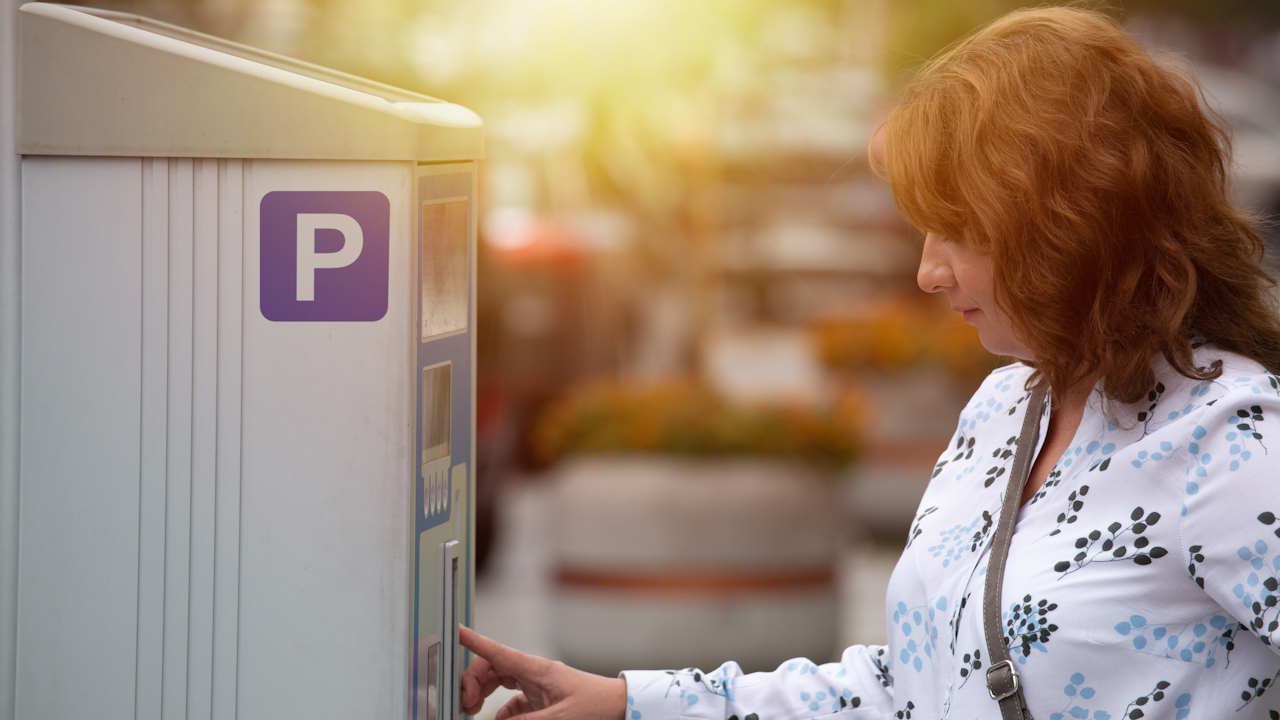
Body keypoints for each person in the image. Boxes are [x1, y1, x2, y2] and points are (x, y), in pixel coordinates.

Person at [460, 6, 1280, 718]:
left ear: (1071, 220)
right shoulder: (1004, 409)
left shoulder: (1230, 442)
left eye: (959, 228)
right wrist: (629, 701)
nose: (929, 271)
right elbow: (913, 686)